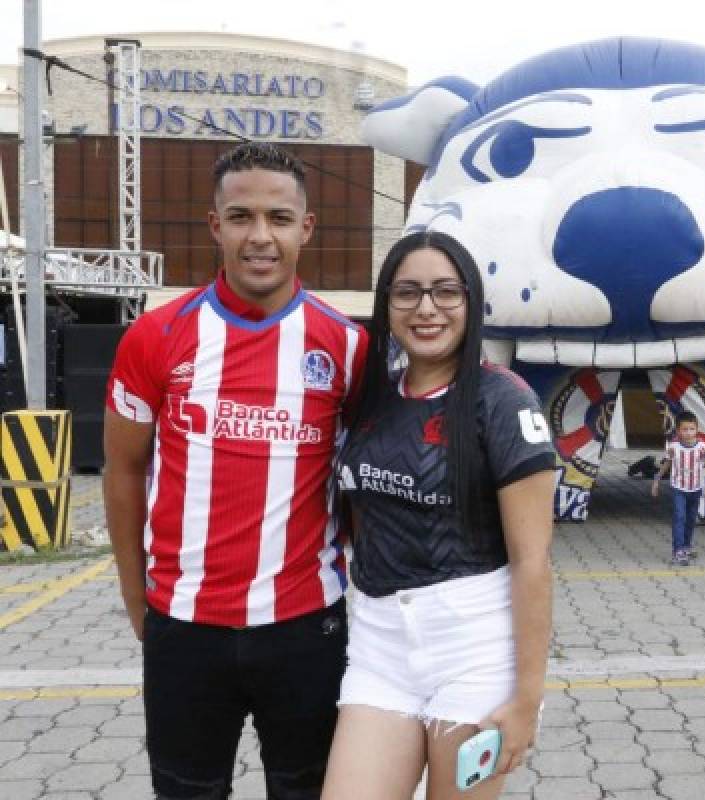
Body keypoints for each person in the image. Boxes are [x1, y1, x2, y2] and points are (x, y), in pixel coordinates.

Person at [103, 141, 366, 799]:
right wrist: (140, 604)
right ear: (215, 225)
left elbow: (368, 480)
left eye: (279, 218)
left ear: (306, 228)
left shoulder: (349, 346)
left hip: (308, 630)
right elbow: (122, 472)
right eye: (242, 216)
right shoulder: (155, 337)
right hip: (184, 629)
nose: (260, 236)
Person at [321, 231, 556, 800]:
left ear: (471, 301)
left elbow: (533, 563)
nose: (426, 308)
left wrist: (526, 699)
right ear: (387, 305)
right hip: (380, 646)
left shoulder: (503, 401)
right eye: (407, 293)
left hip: (473, 650)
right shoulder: (371, 396)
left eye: (445, 291)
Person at [651, 410, 705, 566]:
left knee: (691, 519)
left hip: (696, 488)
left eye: (692, 429)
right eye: (684, 429)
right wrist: (656, 480)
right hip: (678, 488)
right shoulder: (673, 447)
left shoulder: (702, 447)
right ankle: (678, 550)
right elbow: (667, 463)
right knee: (679, 517)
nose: (688, 433)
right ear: (678, 431)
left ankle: (686, 546)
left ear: (697, 429)